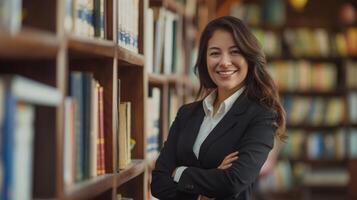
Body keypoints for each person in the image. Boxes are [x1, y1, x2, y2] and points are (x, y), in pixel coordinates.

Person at [151, 16, 286, 200]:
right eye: (215, 53)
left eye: (234, 52)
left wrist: (180, 172)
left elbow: (233, 182)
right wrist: (202, 193)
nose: (224, 62)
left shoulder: (262, 116)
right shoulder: (186, 113)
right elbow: (158, 183)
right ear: (204, 60)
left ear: (248, 57)